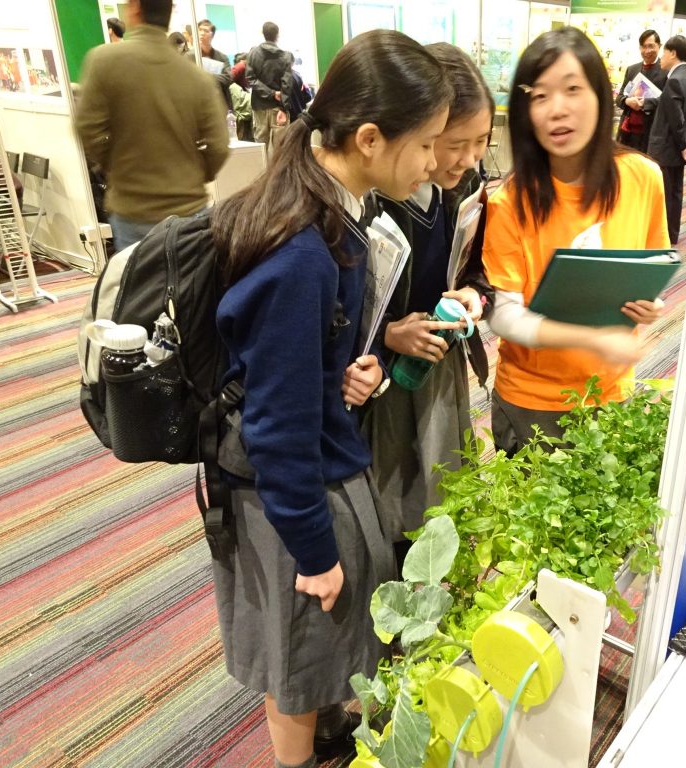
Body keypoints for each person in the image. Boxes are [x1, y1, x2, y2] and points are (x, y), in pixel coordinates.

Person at [209, 29, 451, 768]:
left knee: (315, 651)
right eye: (427, 145)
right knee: (299, 654)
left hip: (314, 464)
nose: (435, 163)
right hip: (292, 491)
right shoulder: (303, 251)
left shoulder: (328, 211)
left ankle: (320, 737)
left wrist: (345, 369)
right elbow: (277, 430)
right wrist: (314, 554)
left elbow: (296, 366)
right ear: (372, 139)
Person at [482, 27, 669, 455]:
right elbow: (505, 319)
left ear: (602, 97)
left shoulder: (642, 178)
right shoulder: (510, 201)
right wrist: (593, 338)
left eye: (572, 90)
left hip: (611, 394)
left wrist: (649, 305)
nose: (557, 110)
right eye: (540, 96)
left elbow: (649, 269)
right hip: (533, 402)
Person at [363, 42, 495, 561]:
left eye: (481, 141)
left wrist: (473, 296)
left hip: (440, 367)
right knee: (392, 498)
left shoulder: (466, 185)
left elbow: (483, 267)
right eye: (452, 143)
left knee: (446, 487)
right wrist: (392, 332)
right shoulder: (377, 197)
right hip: (384, 378)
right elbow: (341, 308)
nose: (466, 158)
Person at [76, 0, 229, 252]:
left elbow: (87, 129)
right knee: (192, 286)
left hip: (132, 206)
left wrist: (115, 166)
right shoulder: (197, 77)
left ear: (135, 7)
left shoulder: (104, 61)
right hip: (189, 208)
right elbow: (219, 146)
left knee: (139, 286)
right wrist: (192, 175)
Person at [646, 35, 686, 245]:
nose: (661, 57)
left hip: (666, 149)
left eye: (664, 52)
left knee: (663, 194)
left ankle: (663, 236)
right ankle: (672, 234)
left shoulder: (675, 80)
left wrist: (683, 144)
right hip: (678, 149)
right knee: (675, 193)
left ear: (673, 53)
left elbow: (675, 119)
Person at [615, 29, 667, 153]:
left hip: (650, 132)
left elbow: (666, 101)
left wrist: (645, 103)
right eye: (644, 47)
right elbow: (620, 97)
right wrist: (627, 101)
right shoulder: (632, 69)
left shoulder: (666, 71)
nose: (647, 51)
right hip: (627, 130)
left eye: (651, 46)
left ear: (659, 46)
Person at [246, 21, 294, 153]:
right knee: (281, 150)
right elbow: (287, 83)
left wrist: (270, 93)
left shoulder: (253, 53)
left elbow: (250, 79)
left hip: (259, 108)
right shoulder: (285, 56)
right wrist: (283, 107)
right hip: (278, 107)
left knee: (260, 149)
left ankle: (263, 174)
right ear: (277, 35)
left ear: (263, 34)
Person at [195, 18, 234, 110]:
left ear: (212, 35)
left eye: (206, 30)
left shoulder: (222, 57)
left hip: (220, 104)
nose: (202, 33)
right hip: (198, 106)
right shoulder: (190, 57)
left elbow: (228, 78)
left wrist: (203, 76)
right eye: (200, 30)